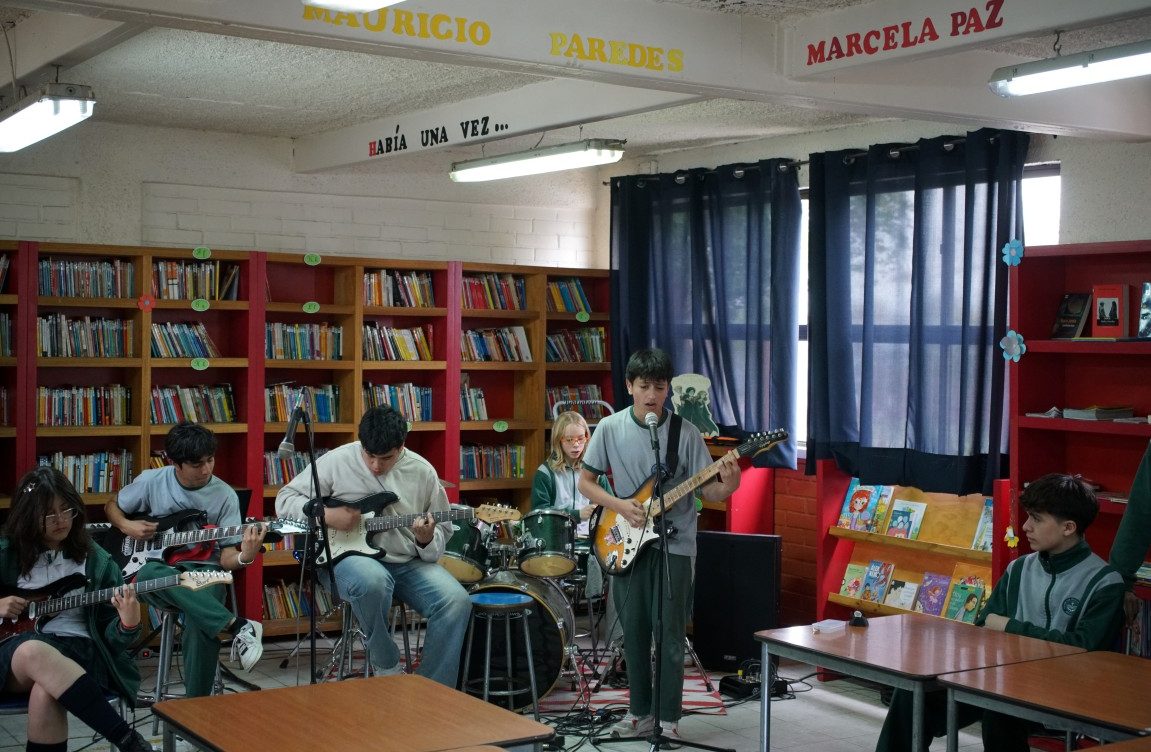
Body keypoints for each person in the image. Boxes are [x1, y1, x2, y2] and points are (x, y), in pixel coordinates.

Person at [875, 473, 1126, 752]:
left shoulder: (1104, 582)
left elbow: (1084, 649)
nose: (1026, 526)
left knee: (1000, 708)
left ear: (1068, 527)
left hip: (1065, 689)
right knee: (912, 694)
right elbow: (985, 627)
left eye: (1037, 519)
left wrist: (1009, 627)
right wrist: (1006, 631)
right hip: (1003, 677)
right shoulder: (1019, 568)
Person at [577, 347, 742, 740]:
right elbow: (585, 482)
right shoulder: (610, 428)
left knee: (670, 633)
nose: (652, 394)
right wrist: (622, 506)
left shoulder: (684, 433)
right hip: (624, 538)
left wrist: (730, 484)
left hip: (677, 544)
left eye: (660, 386)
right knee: (633, 631)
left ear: (668, 390)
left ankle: (668, 719)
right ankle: (639, 713)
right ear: (630, 387)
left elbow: (711, 492)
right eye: (644, 386)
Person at [275, 405, 471, 685]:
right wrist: (326, 515)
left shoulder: (422, 471)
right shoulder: (338, 460)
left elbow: (442, 532)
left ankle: (434, 689)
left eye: (386, 458)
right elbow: (284, 499)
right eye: (370, 456)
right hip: (344, 559)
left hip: (406, 561)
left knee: (456, 600)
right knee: (373, 580)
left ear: (401, 446)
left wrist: (425, 538)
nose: (376, 466)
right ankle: (386, 663)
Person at [105, 422, 267, 697]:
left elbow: (226, 558)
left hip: (206, 571)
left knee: (200, 620)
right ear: (175, 463)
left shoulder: (224, 495)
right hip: (157, 570)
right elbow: (112, 506)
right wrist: (127, 526)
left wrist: (246, 556)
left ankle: (194, 713)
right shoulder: (151, 481)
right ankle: (237, 626)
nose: (206, 470)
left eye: (210, 460)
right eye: (196, 464)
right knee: (146, 575)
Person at [0, 467, 153, 752]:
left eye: (66, 509)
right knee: (33, 650)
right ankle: (128, 741)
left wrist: (128, 625)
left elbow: (113, 641)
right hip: (10, 655)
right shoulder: (6, 553)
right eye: (49, 514)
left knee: (46, 692)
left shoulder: (98, 561)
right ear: (28, 515)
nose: (60, 520)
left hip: (79, 654)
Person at [531, 411, 615, 634]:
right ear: (559, 441)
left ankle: (617, 641)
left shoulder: (595, 472)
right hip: (559, 545)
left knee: (621, 570)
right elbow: (540, 515)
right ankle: (554, 632)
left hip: (594, 543)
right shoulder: (545, 473)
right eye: (570, 440)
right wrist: (577, 514)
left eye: (581, 439)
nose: (576, 445)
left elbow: (612, 506)